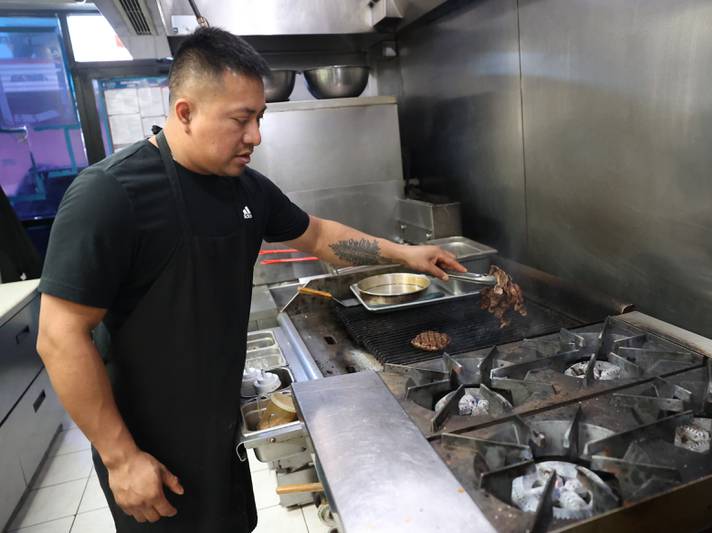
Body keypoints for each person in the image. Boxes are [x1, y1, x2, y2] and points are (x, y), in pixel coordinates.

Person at [36, 27, 465, 532]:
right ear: (185, 112)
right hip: (149, 450)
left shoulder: (246, 188)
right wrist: (120, 459)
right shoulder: (109, 195)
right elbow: (60, 336)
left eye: (259, 117)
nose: (256, 136)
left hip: (221, 428)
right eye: (242, 119)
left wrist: (405, 253)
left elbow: (320, 235)